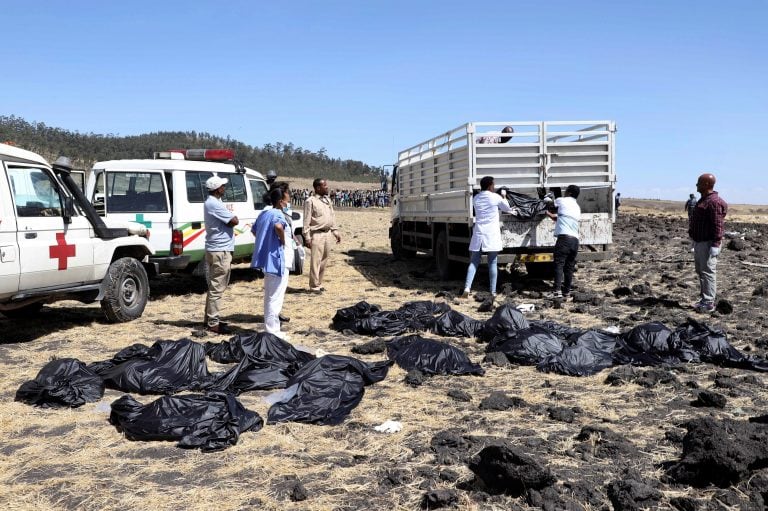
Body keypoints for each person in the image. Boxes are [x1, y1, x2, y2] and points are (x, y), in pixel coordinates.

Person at [461, 176, 516, 299]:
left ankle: (467, 287)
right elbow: (507, 208)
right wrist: (504, 196)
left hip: (479, 232)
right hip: (491, 234)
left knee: (474, 261)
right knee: (492, 262)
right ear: (490, 185)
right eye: (493, 184)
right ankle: (492, 291)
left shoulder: (475, 198)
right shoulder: (496, 197)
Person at [252, 188, 292, 340]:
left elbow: (255, 231)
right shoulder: (277, 214)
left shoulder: (264, 214)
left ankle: (271, 327)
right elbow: (278, 227)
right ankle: (273, 331)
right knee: (276, 296)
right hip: (278, 259)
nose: (287, 203)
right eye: (286, 200)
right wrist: (281, 240)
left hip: (268, 259)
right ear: (280, 201)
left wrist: (266, 241)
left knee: (270, 294)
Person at [203, 175, 239, 334]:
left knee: (213, 287)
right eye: (223, 186)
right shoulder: (214, 204)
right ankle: (213, 323)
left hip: (214, 248)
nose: (225, 188)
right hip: (220, 250)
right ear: (218, 189)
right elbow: (234, 221)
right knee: (217, 288)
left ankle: (210, 319)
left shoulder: (212, 203)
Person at [688, 173, 728, 313]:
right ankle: (704, 299)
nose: (696, 185)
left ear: (706, 184)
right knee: (701, 271)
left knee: (708, 272)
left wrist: (716, 244)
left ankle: (709, 302)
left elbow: (718, 225)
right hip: (700, 242)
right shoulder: (704, 200)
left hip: (708, 243)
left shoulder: (713, 202)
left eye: (699, 182)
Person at [303, 178, 341, 292]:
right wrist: (307, 237)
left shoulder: (327, 200)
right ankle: (313, 286)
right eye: (324, 185)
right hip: (317, 234)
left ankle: (319, 283)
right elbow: (306, 221)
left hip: (327, 233)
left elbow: (331, 216)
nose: (327, 187)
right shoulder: (310, 201)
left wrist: (335, 232)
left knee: (324, 260)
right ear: (318, 188)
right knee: (316, 261)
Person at [545, 185, 581, 299]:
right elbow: (561, 218)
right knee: (569, 267)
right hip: (575, 241)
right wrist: (549, 215)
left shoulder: (562, 200)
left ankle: (556, 291)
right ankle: (566, 292)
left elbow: (550, 204)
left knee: (558, 265)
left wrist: (547, 198)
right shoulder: (576, 207)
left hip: (564, 239)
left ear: (569, 193)